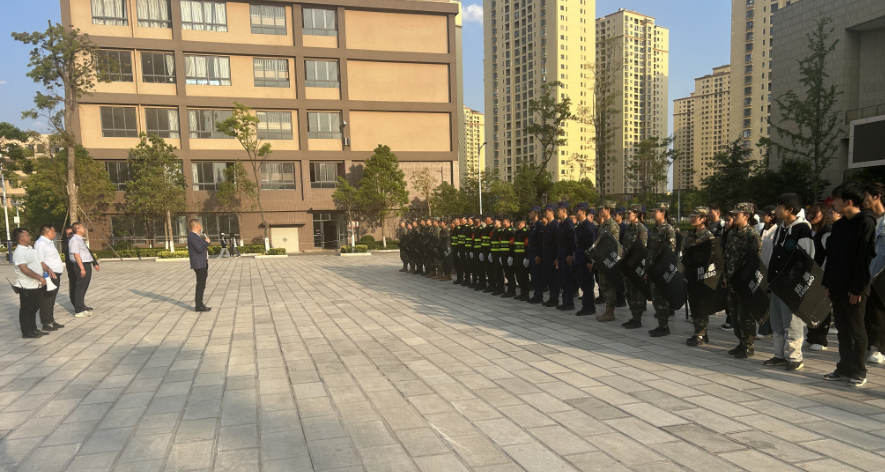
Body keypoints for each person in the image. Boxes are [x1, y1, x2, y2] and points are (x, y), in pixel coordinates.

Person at [823, 182, 877, 387]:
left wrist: (857, 288)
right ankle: (844, 367)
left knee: (856, 329)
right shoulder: (839, 225)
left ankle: (859, 370)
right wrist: (827, 283)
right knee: (842, 330)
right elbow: (832, 257)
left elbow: (864, 258)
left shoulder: (866, 223)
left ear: (849, 201)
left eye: (836, 199)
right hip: (836, 285)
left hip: (855, 288)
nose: (833, 203)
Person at [763, 194, 813, 371]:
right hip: (776, 283)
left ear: (790, 209)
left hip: (791, 285)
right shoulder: (780, 228)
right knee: (777, 321)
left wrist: (797, 283)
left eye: (779, 206)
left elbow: (807, 258)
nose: (775, 210)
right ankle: (779, 355)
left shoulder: (802, 228)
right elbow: (774, 256)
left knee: (792, 322)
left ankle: (795, 357)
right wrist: (770, 280)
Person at [722, 203, 762, 359]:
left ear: (746, 216)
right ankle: (741, 342)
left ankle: (748, 345)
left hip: (744, 281)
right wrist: (725, 276)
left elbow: (755, 261)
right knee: (733, 314)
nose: (734, 216)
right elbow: (726, 256)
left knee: (745, 314)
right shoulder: (731, 234)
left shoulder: (752, 235)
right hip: (731, 280)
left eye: (737, 214)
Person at [804, 202, 835, 351]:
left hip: (821, 274)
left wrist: (823, 274)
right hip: (807, 274)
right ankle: (811, 336)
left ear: (823, 215)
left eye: (814, 213)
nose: (810, 216)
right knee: (809, 306)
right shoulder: (808, 232)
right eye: (809, 213)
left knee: (822, 306)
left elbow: (829, 257)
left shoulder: (827, 233)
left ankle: (821, 339)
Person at [684, 207, 715, 345]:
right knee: (694, 305)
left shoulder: (708, 236)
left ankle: (700, 335)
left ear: (703, 219)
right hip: (690, 275)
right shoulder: (691, 235)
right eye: (691, 216)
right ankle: (701, 333)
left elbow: (712, 258)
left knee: (701, 306)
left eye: (695, 216)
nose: (692, 218)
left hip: (701, 276)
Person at [645, 203, 676, 337]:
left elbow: (670, 252)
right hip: (652, 270)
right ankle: (661, 325)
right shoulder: (655, 230)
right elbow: (650, 251)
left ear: (663, 213)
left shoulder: (668, 229)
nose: (652, 214)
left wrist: (662, 270)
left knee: (661, 298)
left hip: (661, 270)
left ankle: (664, 327)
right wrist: (647, 270)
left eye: (655, 211)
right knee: (656, 298)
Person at [863, 183, 885, 364]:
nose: (863, 199)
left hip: (882, 275)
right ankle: (872, 345)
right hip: (866, 274)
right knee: (870, 312)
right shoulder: (866, 220)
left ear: (877, 197)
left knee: (879, 312)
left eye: (866, 195)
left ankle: (878, 348)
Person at [12, 228, 48, 338]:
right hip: (27, 286)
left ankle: (33, 329)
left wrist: (49, 270)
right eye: (27, 235)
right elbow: (24, 269)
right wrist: (39, 277)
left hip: (36, 285)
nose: (30, 237)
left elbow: (40, 262)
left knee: (34, 308)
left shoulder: (31, 249)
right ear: (21, 238)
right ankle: (26, 331)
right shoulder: (19, 252)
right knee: (26, 309)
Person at [591, 201, 620, 321]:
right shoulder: (603, 225)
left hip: (608, 261)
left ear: (608, 210)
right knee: (603, 285)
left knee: (609, 286)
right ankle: (608, 311)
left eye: (601, 209)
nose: (599, 211)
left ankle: (610, 312)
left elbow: (614, 245)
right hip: (601, 260)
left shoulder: (613, 225)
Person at [622, 204, 649, 328]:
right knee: (628, 291)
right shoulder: (629, 228)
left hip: (635, 265)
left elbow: (642, 249)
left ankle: (637, 318)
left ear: (636, 214)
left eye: (629, 213)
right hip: (627, 264)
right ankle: (633, 315)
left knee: (636, 292)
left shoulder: (641, 229)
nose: (627, 215)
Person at [33, 225, 65, 331]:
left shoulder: (48, 242)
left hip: (55, 274)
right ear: (48, 232)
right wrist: (44, 275)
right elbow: (39, 261)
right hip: (48, 275)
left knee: (51, 299)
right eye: (53, 231)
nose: (55, 233)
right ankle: (46, 322)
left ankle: (51, 320)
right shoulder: (41, 243)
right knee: (46, 299)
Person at [68, 223, 99, 317]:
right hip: (81, 265)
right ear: (77, 229)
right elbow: (76, 255)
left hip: (86, 263)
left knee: (84, 286)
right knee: (80, 287)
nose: (84, 229)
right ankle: (78, 309)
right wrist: (82, 268)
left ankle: (81, 306)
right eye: (82, 227)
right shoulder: (74, 240)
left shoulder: (79, 239)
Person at [574, 203, 597, 316]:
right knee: (583, 283)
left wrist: (589, 261)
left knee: (587, 283)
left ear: (583, 212)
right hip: (580, 257)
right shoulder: (580, 226)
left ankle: (588, 307)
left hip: (585, 258)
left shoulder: (587, 226)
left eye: (577, 211)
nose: (575, 213)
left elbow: (591, 245)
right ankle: (587, 305)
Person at [554, 202, 577, 311]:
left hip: (566, 252)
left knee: (567, 278)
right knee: (562, 278)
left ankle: (569, 303)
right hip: (561, 252)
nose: (557, 212)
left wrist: (570, 254)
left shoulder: (569, 223)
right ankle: (565, 301)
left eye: (558, 210)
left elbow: (572, 240)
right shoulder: (562, 224)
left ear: (564, 211)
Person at [187, 219, 212, 312]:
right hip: (199, 264)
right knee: (200, 284)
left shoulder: (196, 236)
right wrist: (206, 242)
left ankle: (200, 304)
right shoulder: (193, 236)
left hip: (202, 263)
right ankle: (199, 305)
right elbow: (200, 248)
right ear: (197, 225)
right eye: (200, 225)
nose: (201, 227)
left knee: (202, 284)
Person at [541, 205, 561, 307]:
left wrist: (557, 257)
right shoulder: (548, 225)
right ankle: (551, 297)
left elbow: (557, 243)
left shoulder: (555, 225)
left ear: (551, 212)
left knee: (554, 278)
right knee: (549, 277)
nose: (545, 213)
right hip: (547, 254)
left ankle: (554, 299)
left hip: (552, 255)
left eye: (546, 211)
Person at [719, 213, 735, 332]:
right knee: (727, 298)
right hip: (726, 270)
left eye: (729, 220)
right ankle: (729, 319)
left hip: (736, 272)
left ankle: (733, 321)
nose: (726, 223)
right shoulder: (727, 233)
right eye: (725, 220)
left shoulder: (738, 234)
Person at [528, 206, 546, 304]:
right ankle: (536, 295)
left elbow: (540, 242)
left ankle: (539, 296)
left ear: (536, 213)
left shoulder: (539, 226)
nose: (529, 214)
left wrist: (538, 254)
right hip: (531, 252)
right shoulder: (533, 226)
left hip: (536, 253)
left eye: (531, 212)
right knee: (534, 275)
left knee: (538, 275)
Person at [512, 216, 532, 300]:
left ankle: (526, 293)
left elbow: (527, 246)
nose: (516, 224)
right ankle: (522, 292)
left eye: (518, 222)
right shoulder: (517, 232)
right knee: (518, 276)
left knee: (524, 276)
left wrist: (526, 257)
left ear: (522, 222)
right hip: (516, 256)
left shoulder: (525, 232)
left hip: (522, 257)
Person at [61, 226, 77, 307]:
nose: (69, 235)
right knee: (73, 283)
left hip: (78, 265)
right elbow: (64, 251)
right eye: (67, 234)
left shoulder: (78, 241)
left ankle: (80, 303)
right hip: (70, 266)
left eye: (71, 233)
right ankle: (74, 302)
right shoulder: (64, 242)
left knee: (80, 285)